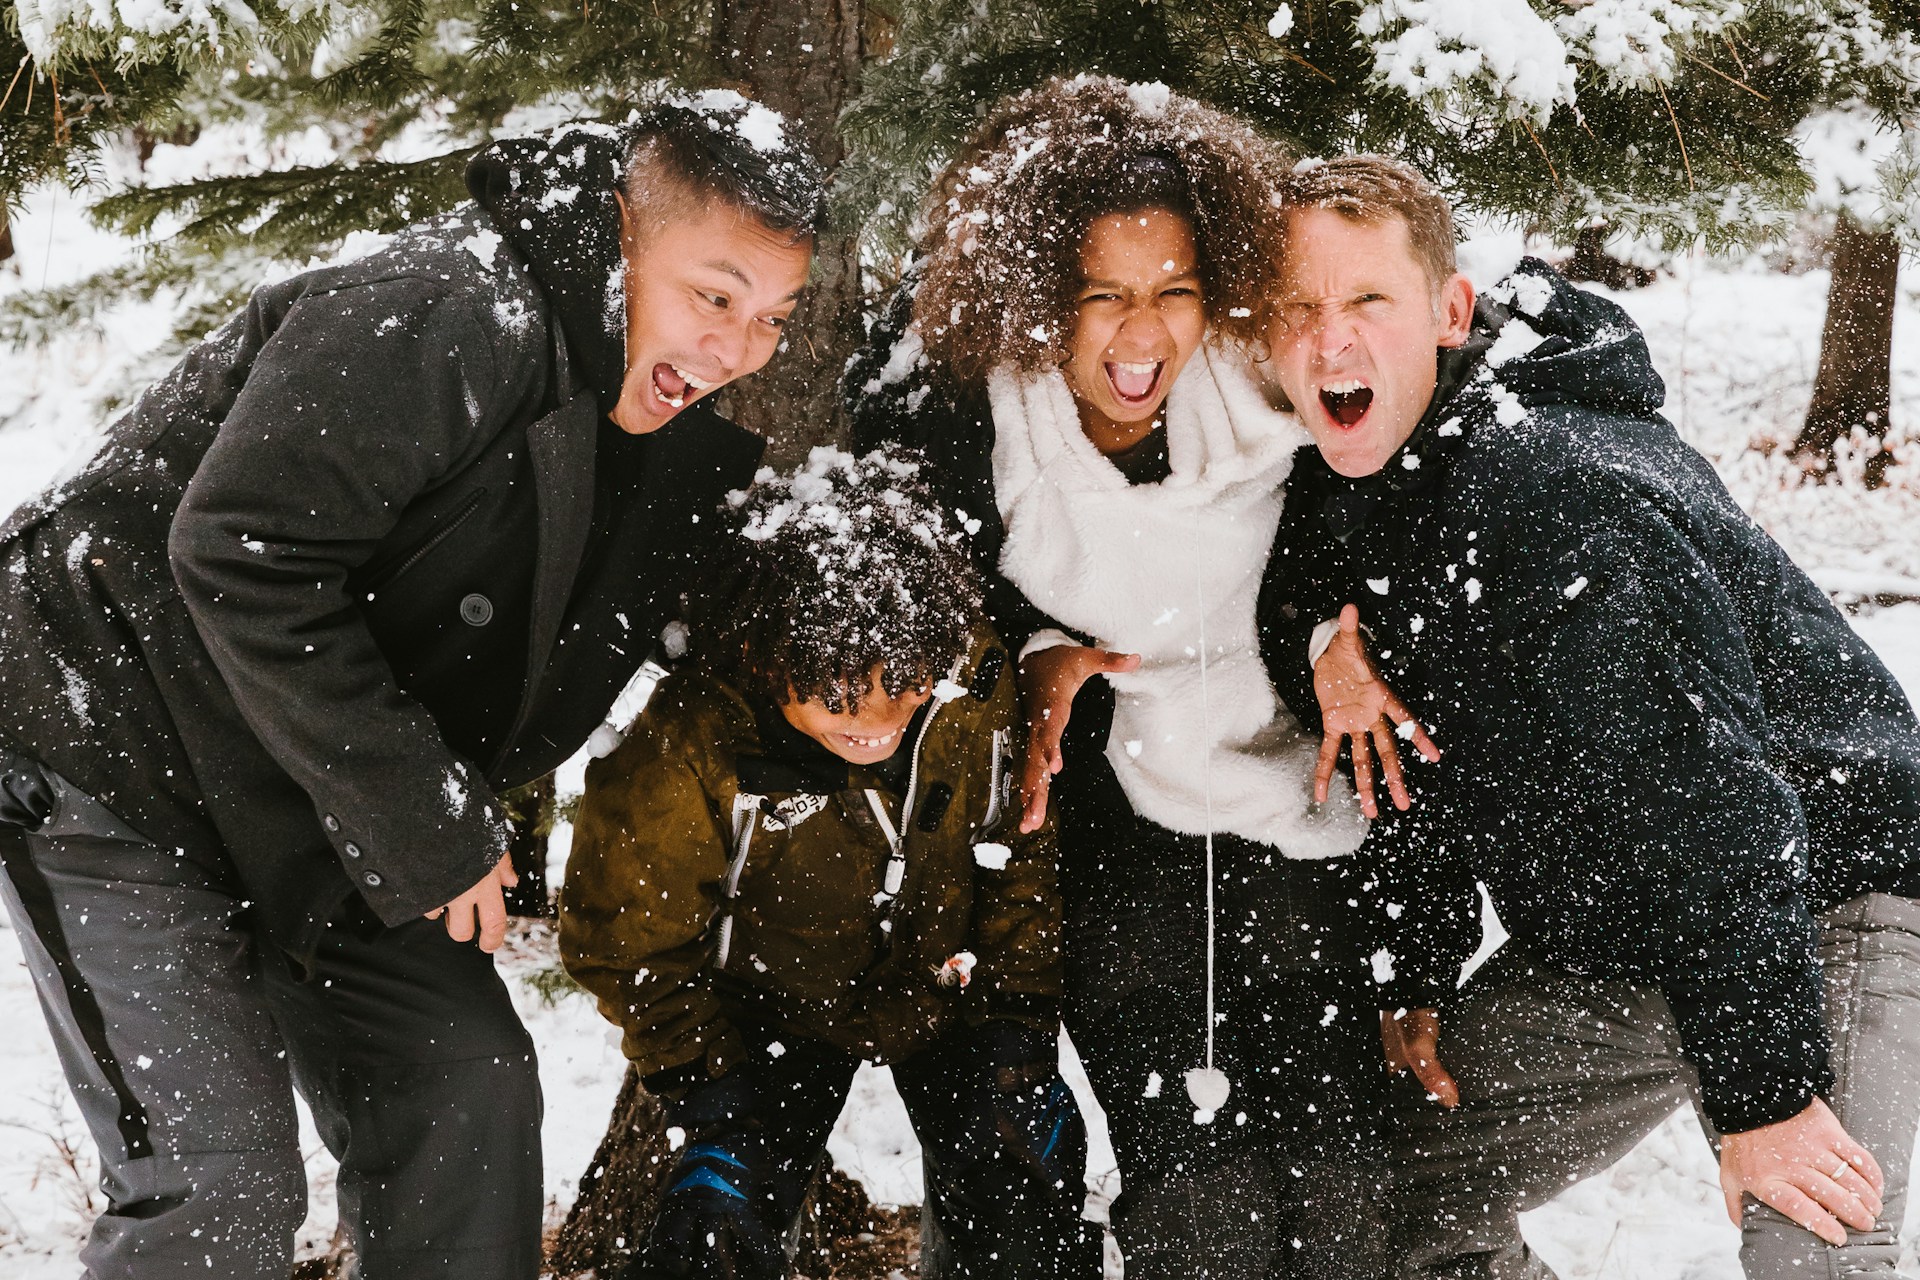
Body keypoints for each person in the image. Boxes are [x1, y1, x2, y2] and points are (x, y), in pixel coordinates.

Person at [0, 93, 823, 1278]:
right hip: (120, 735)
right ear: (623, 231)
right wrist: (431, 821)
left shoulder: (637, 399)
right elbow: (238, 549)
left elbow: (684, 604)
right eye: (715, 296)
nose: (740, 350)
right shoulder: (447, 308)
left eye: (772, 319)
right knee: (219, 1187)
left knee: (467, 1093)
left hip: (316, 783)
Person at [1255, 155, 1920, 1277]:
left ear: (1449, 312)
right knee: (1395, 1207)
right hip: (1619, 931)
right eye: (1297, 310)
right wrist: (1416, 962)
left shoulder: (1554, 493)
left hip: (1820, 882)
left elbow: (1712, 799)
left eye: (1367, 300)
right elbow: (1409, 741)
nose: (1331, 341)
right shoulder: (1363, 479)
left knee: (1816, 1241)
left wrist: (1767, 1095)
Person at [849, 76, 1424, 1278]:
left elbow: (1386, 471)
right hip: (1111, 834)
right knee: (1187, 1180)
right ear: (1034, 295)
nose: (1143, 335)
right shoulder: (964, 417)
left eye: (1173, 292)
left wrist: (1338, 628)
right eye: (1101, 295)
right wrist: (1029, 649)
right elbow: (909, 590)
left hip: (1307, 806)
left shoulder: (1263, 384)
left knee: (1343, 1169)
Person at [559, 447, 1099, 1279]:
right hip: (765, 1018)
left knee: (1024, 1190)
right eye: (841, 686)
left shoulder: (972, 677)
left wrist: (1015, 1033)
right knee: (713, 1235)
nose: (880, 715)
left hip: (943, 989)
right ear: (771, 653)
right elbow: (623, 937)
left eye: (906, 680)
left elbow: (1014, 849)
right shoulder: (692, 740)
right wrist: (705, 1079)